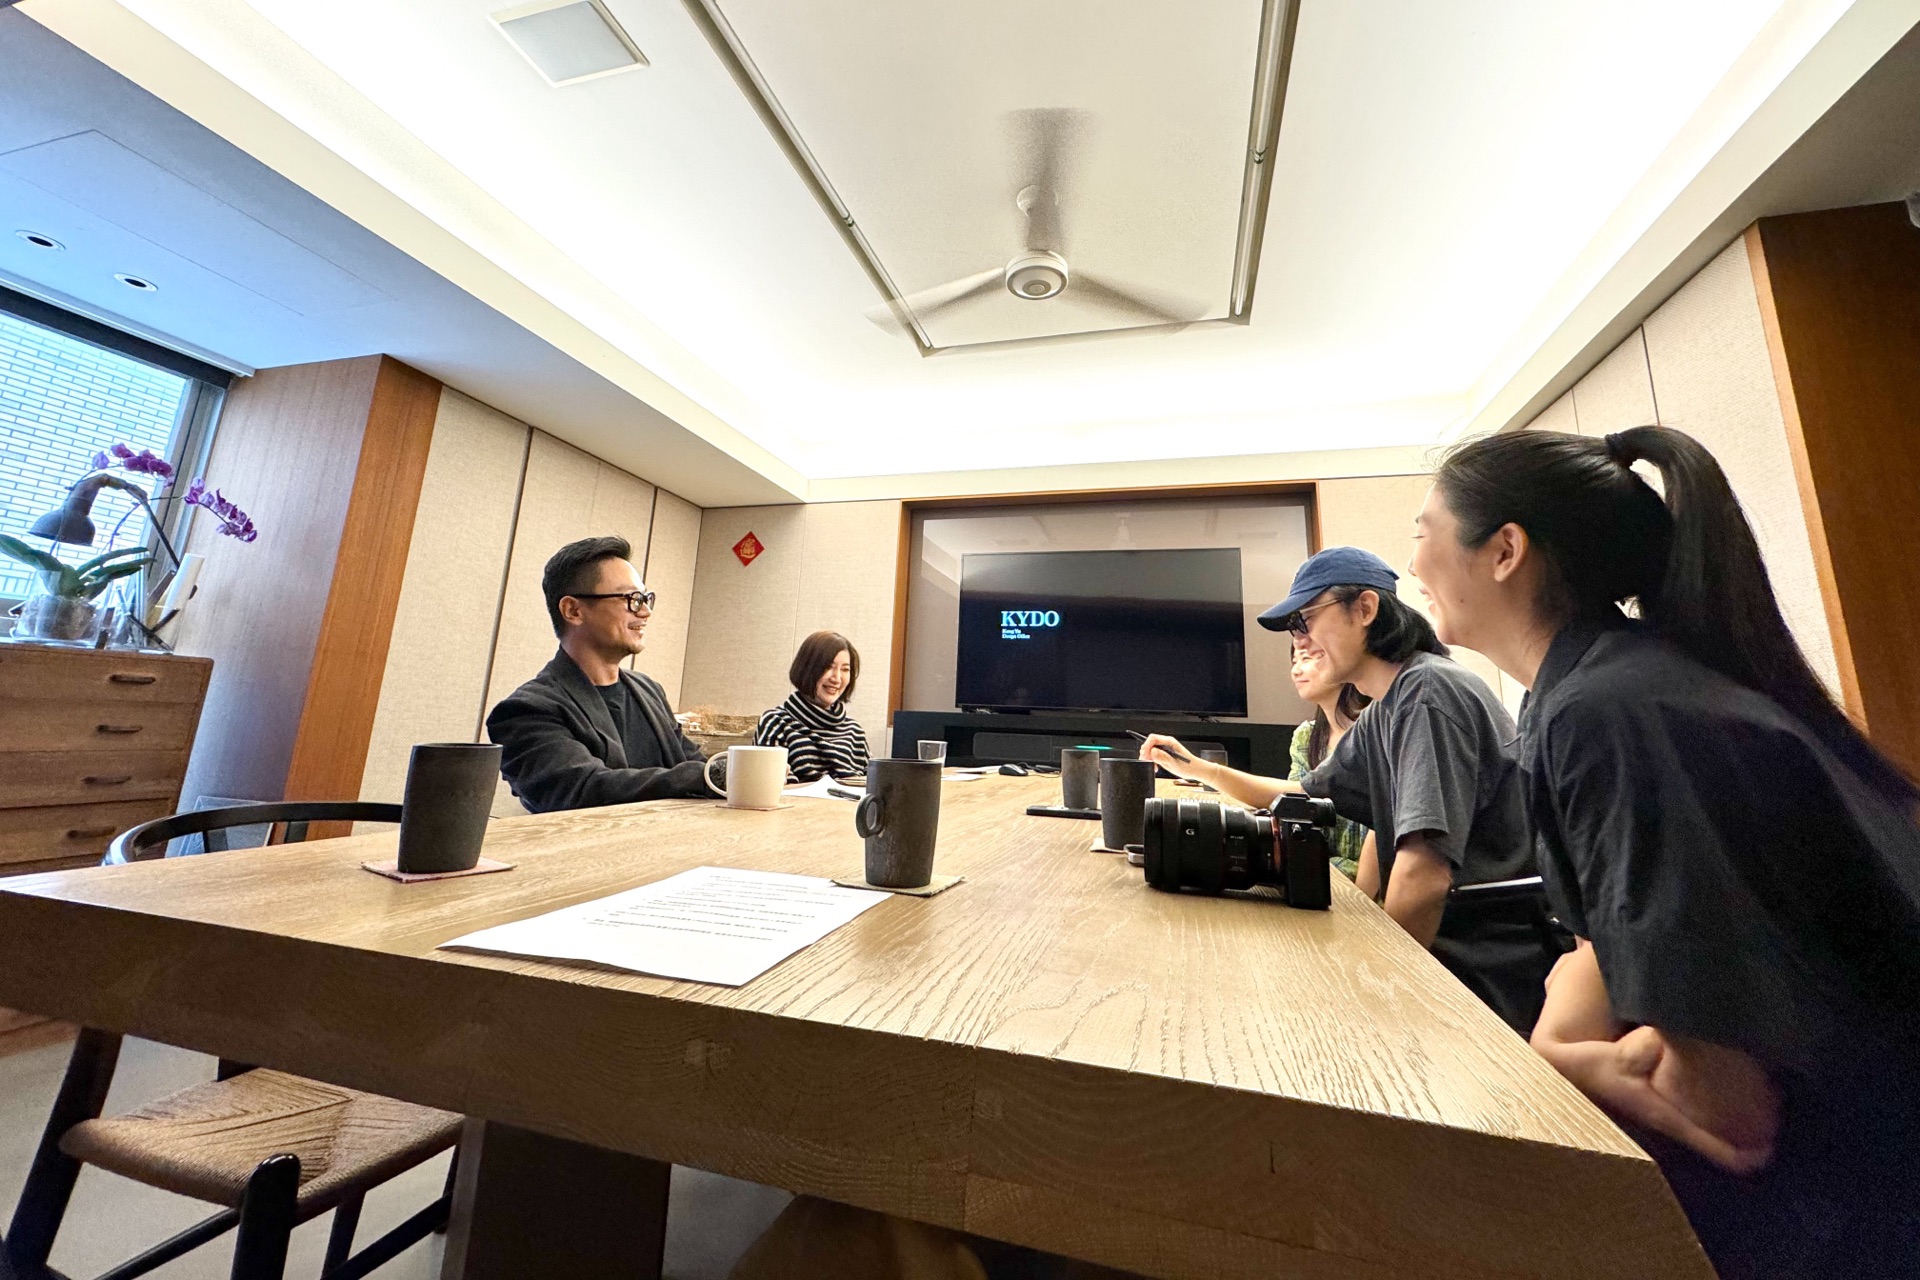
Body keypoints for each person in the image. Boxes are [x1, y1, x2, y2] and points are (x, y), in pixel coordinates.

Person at [1420, 425, 1920, 1278]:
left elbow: (1730, 1112)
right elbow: (1604, 940)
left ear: (1504, 551)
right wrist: (1579, 1049)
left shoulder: (1607, 714)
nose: (1415, 561)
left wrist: (1571, 1058)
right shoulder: (1602, 689)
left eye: (1425, 532)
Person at [1140, 546, 1552, 1035]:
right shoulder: (1388, 707)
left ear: (1366, 609)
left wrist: (1368, 994)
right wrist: (1199, 769)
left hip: (1482, 970)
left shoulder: (1427, 693)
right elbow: (1303, 793)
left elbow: (1424, 874)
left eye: (1306, 619)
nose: (1301, 639)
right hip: (1454, 950)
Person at [487, 535, 717, 812]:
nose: (645, 612)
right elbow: (581, 788)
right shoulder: (526, 710)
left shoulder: (649, 691)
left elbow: (696, 765)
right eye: (632, 599)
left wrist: (731, 771)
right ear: (573, 610)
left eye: (646, 598)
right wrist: (702, 777)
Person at [1285, 648, 1371, 879]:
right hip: (1322, 873)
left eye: (1306, 658)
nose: (1296, 671)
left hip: (1377, 885)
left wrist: (1359, 895)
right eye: (1294, 660)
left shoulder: (1375, 730)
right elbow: (1296, 805)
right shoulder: (1306, 736)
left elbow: (1383, 825)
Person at [755, 631, 871, 782]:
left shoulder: (854, 731)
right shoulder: (776, 721)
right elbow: (770, 785)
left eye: (845, 669)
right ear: (807, 669)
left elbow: (873, 785)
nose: (837, 678)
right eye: (828, 667)